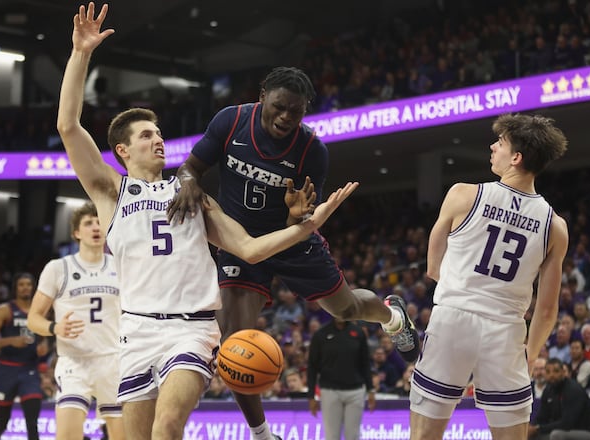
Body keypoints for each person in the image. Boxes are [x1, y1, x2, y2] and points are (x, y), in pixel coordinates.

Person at [56, 4, 358, 439]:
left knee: (167, 427)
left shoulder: (194, 195)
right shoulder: (112, 192)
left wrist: (309, 224)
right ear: (122, 151)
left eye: (159, 133)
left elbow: (251, 249)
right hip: (136, 330)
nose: (157, 139)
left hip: (190, 329)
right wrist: (81, 53)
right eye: (146, 135)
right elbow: (68, 125)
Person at [167, 66, 418, 440]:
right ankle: (263, 434)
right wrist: (187, 181)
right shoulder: (231, 121)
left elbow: (301, 218)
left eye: (295, 111)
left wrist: (296, 215)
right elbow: (190, 167)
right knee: (236, 343)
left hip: (290, 240)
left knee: (347, 310)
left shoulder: (312, 150)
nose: (286, 117)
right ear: (262, 96)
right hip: (239, 243)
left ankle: (391, 316)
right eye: (279, 107)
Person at [411, 114, 569, 440]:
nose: (492, 146)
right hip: (506, 330)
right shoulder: (555, 226)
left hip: (453, 320)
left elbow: (432, 267)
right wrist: (532, 353)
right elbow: (547, 309)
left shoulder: (463, 194)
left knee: (425, 435)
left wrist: (461, 289)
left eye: (501, 142)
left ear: (516, 157)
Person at [26, 202, 125, 440]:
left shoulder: (121, 266)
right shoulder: (59, 268)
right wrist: (55, 327)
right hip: (74, 363)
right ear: (76, 233)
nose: (96, 226)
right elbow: (33, 318)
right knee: (68, 436)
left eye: (100, 221)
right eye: (88, 223)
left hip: (114, 360)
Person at [0, 272, 48, 440]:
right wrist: (10, 341)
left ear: (34, 287)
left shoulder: (40, 310)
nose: (25, 287)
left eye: (28, 284)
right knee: (2, 422)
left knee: (32, 423)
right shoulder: (5, 310)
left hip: (29, 371)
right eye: (21, 284)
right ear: (15, 288)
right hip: (7, 370)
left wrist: (43, 346)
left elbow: (44, 338)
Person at [307, 317, 375, 440]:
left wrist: (371, 389)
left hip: (355, 391)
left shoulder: (358, 333)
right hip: (330, 391)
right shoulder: (321, 334)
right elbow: (312, 366)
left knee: (353, 436)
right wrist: (311, 395)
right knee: (332, 436)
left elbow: (365, 363)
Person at [528, 358, 590, 440]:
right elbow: (541, 416)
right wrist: (532, 428)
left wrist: (538, 428)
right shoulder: (548, 390)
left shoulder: (573, 389)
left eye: (556, 371)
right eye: (548, 372)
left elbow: (567, 423)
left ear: (563, 373)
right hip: (566, 431)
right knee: (532, 435)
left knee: (556, 435)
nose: (552, 375)